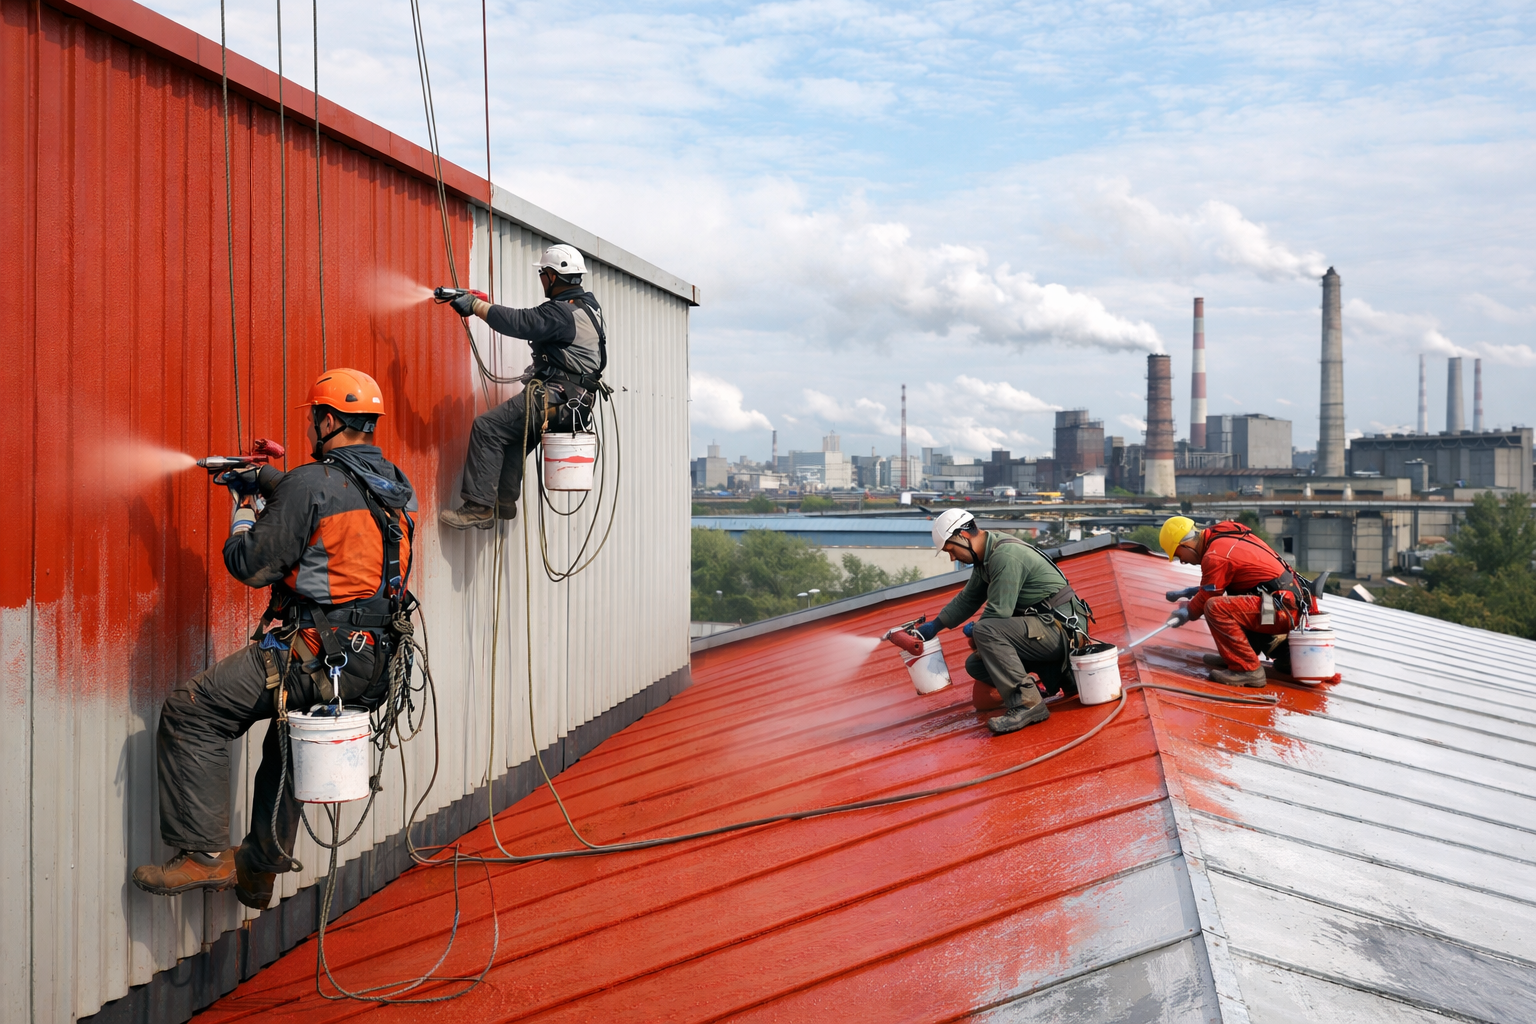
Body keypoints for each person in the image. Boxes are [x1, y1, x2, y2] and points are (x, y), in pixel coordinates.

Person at [132, 369, 416, 910]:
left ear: (328, 420)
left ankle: (202, 855)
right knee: (287, 744)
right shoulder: (390, 484)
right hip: (371, 660)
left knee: (194, 710)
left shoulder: (312, 484)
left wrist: (243, 506)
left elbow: (252, 566)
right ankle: (258, 873)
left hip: (316, 651)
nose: (312, 424)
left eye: (315, 417)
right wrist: (267, 478)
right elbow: (328, 501)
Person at [439, 243, 606, 529]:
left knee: (488, 428)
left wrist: (476, 307)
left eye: (543, 273)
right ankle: (504, 502)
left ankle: (479, 506)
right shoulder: (587, 307)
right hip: (572, 403)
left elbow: (520, 322)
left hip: (557, 397)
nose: (541, 278)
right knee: (513, 436)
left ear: (552, 276)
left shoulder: (560, 313)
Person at [912, 510, 1092, 735]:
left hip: (1062, 631)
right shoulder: (987, 555)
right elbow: (969, 598)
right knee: (976, 665)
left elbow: (998, 613)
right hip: (1047, 631)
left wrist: (977, 631)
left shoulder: (1004, 555)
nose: (952, 557)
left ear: (962, 536)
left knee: (987, 631)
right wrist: (934, 626)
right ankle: (1059, 674)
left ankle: (1028, 704)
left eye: (951, 550)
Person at [1159, 515, 1314, 686]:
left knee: (1215, 607)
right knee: (1226, 601)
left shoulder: (1215, 555)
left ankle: (1247, 669)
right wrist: (1193, 594)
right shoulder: (1224, 537)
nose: (1182, 561)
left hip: (1280, 610)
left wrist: (1187, 612)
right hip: (1283, 602)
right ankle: (1236, 654)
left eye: (1178, 554)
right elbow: (1217, 586)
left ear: (1186, 545)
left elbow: (1208, 596)